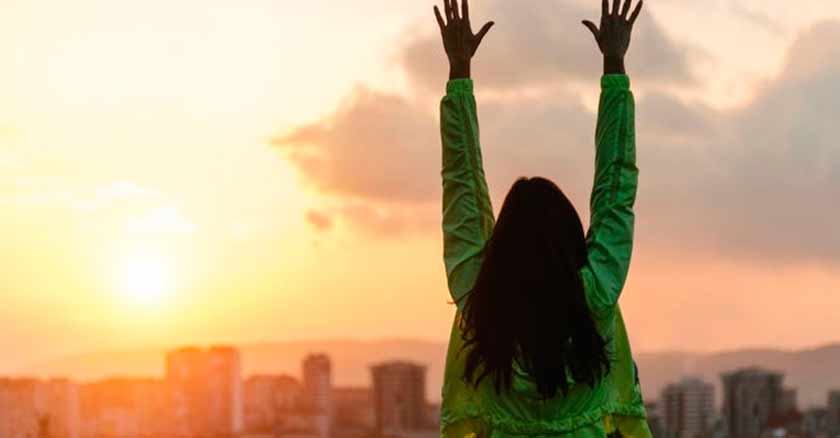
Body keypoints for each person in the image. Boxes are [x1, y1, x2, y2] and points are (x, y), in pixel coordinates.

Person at [435, 0, 649, 437]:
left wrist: (460, 75)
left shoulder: (481, 303)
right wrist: (614, 65)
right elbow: (615, 188)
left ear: (501, 247)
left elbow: (461, 192)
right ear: (570, 239)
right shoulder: (596, 296)